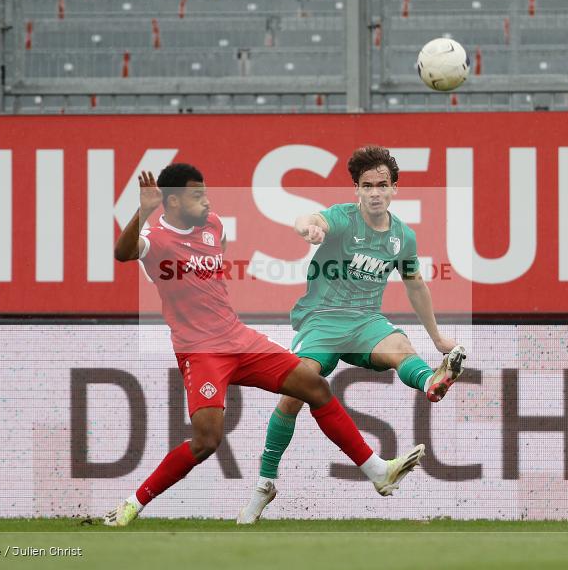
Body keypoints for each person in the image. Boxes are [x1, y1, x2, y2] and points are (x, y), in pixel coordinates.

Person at [104, 163, 425, 527]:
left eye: (207, 192)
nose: (208, 202)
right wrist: (144, 211)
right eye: (198, 196)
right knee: (207, 441)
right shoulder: (156, 236)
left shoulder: (214, 226)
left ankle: (377, 470)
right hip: (201, 351)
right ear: (173, 201)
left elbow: (209, 271)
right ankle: (132, 504)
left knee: (314, 386)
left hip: (240, 339)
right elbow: (123, 252)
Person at [238, 146, 466, 524]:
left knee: (401, 347)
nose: (375, 192)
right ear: (357, 190)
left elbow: (415, 286)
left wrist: (439, 337)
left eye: (382, 185)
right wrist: (308, 227)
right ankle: (265, 483)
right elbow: (311, 219)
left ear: (393, 189)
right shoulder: (343, 218)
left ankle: (431, 382)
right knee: (295, 393)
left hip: (365, 322)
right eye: (367, 186)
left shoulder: (402, 238)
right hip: (322, 322)